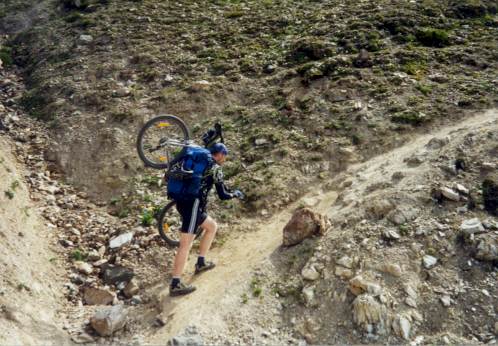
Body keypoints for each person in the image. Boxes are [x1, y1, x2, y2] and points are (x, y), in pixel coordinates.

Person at [170, 142, 244, 296]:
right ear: (221, 154)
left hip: (184, 203)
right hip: (193, 206)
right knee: (186, 244)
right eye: (225, 156)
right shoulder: (215, 168)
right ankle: (175, 284)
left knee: (211, 227)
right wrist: (235, 194)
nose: (224, 159)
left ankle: (201, 262)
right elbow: (223, 195)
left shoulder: (200, 162)